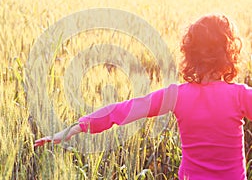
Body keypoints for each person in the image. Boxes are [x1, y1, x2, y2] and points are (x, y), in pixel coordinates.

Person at [34, 14, 252, 180]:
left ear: (190, 53)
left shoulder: (177, 96)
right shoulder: (240, 96)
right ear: (230, 52)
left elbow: (123, 110)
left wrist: (75, 127)